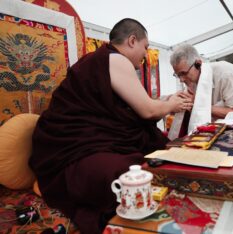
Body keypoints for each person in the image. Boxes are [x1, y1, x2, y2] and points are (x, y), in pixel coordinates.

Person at [29, 18, 193, 234]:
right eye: (145, 47)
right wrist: (171, 104)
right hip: (73, 147)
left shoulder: (101, 60)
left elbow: (127, 110)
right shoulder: (116, 59)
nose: (146, 55)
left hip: (94, 138)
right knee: (127, 172)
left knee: (158, 150)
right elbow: (147, 111)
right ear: (132, 40)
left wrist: (165, 102)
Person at [168, 44, 233, 137]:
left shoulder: (226, 74)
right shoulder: (191, 80)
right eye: (178, 75)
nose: (181, 80)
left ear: (198, 63)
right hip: (216, 128)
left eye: (183, 73)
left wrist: (198, 105)